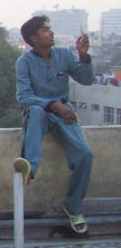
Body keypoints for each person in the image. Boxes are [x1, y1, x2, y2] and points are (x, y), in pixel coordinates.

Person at [14, 15, 94, 234]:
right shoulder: (25, 62)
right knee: (36, 109)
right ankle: (29, 166)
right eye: (46, 30)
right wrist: (53, 105)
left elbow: (86, 80)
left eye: (50, 29)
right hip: (39, 113)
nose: (51, 33)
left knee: (85, 155)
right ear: (33, 38)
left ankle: (73, 205)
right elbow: (24, 97)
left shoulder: (64, 55)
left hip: (63, 114)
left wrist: (84, 56)